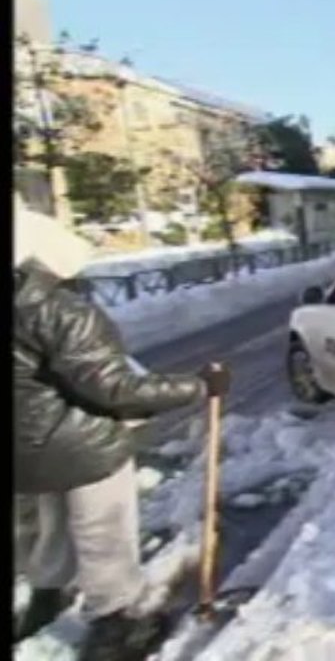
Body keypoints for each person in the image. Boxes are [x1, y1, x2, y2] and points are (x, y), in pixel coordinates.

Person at [13, 204, 230, 660]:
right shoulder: (61, 311)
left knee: (51, 527)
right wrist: (199, 386)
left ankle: (44, 600)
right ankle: (117, 624)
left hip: (24, 450)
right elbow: (115, 388)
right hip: (83, 446)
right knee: (103, 536)